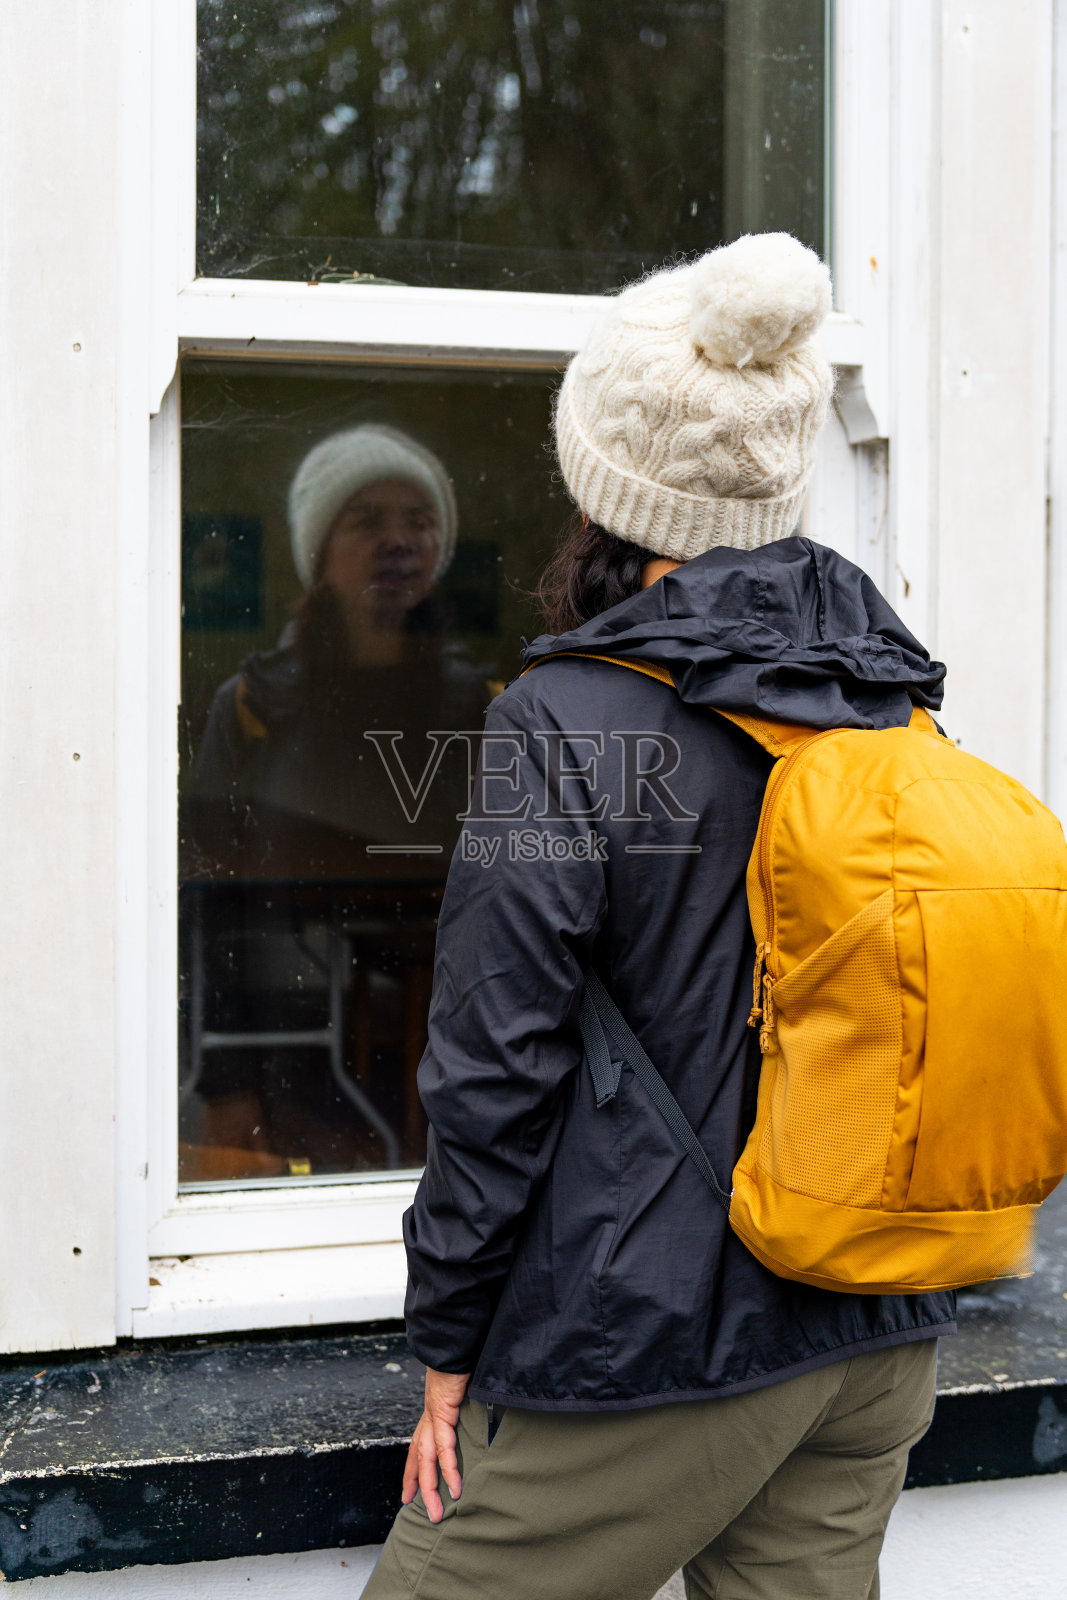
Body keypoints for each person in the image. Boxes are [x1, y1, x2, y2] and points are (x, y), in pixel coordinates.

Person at [363, 234, 955, 1600]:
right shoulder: (890, 701)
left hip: (647, 1357)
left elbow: (491, 1063)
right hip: (873, 1334)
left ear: (605, 484)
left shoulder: (558, 724)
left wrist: (447, 1343)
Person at [182, 426, 490, 1175]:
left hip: (444, 1050)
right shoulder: (253, 706)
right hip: (281, 1050)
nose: (398, 540)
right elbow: (206, 899)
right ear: (318, 551)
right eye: (367, 520)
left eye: (418, 521)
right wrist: (226, 1086)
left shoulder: (482, 706)